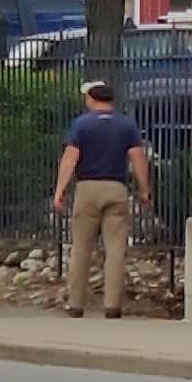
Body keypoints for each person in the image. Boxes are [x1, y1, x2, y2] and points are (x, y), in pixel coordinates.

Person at [51, 80, 152, 319]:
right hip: (116, 188)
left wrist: (60, 189)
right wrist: (144, 190)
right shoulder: (126, 125)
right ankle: (112, 306)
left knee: (81, 248)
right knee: (116, 249)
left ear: (91, 99)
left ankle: (76, 304)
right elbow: (138, 158)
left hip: (87, 189)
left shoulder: (81, 124)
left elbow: (70, 158)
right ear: (111, 100)